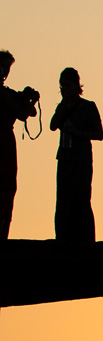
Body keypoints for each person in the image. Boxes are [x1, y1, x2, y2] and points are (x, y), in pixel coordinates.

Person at [49, 67, 102, 244]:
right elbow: (52, 125)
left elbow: (99, 134)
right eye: (62, 86)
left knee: (82, 200)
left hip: (82, 159)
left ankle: (86, 241)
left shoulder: (88, 106)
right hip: (65, 158)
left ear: (76, 85)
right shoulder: (62, 107)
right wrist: (65, 106)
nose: (64, 89)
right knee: (63, 201)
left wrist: (78, 133)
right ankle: (63, 238)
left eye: (67, 85)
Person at [0, 50, 39, 239]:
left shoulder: (7, 93)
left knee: (7, 188)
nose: (5, 71)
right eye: (3, 66)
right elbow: (22, 113)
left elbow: (31, 112)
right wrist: (26, 101)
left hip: (6, 143)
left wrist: (26, 99)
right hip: (1, 143)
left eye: (8, 67)